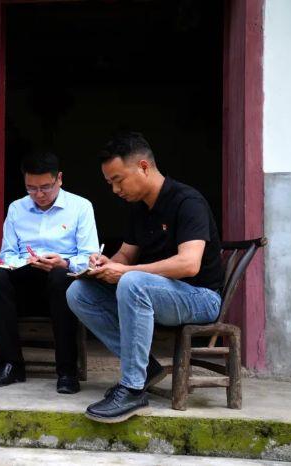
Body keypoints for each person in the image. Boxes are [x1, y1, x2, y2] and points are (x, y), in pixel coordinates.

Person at [66, 132, 224, 423]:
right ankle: (146, 369)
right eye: (110, 183)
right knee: (79, 292)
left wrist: (126, 272)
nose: (115, 190)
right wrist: (107, 264)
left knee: (132, 282)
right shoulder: (140, 208)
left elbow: (189, 264)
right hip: (154, 293)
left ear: (143, 167)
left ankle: (133, 389)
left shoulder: (187, 201)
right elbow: (126, 256)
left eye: (118, 180)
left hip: (201, 297)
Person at [0, 152, 99, 394]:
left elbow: (90, 257)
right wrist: (25, 261)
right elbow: (6, 254)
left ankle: (67, 371)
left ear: (59, 179)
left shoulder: (81, 207)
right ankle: (11, 365)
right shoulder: (17, 208)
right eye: (31, 188)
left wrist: (64, 263)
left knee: (59, 277)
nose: (38, 194)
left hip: (63, 283)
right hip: (26, 279)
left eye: (45, 187)